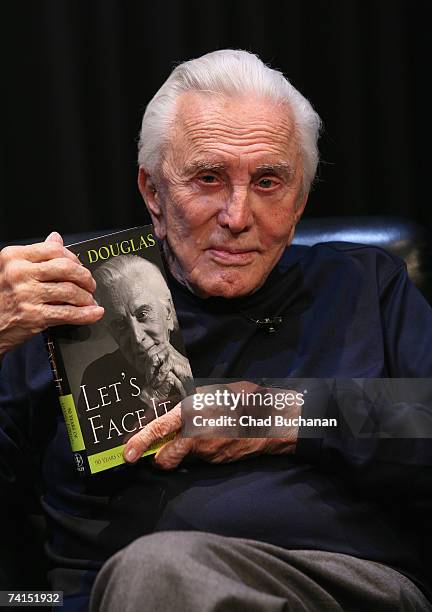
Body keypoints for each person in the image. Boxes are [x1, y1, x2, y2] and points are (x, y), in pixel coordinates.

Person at [1, 49, 432, 611]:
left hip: (341, 587)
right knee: (154, 572)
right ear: (153, 193)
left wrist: (282, 415)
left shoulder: (365, 285)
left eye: (269, 182)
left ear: (300, 201)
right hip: (116, 592)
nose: (237, 215)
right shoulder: (68, 306)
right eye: (208, 178)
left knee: (160, 569)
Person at [88, 254, 192, 407]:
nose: (137, 337)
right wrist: (150, 399)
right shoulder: (97, 377)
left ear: (168, 312)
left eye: (142, 315)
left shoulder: (198, 339)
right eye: (120, 324)